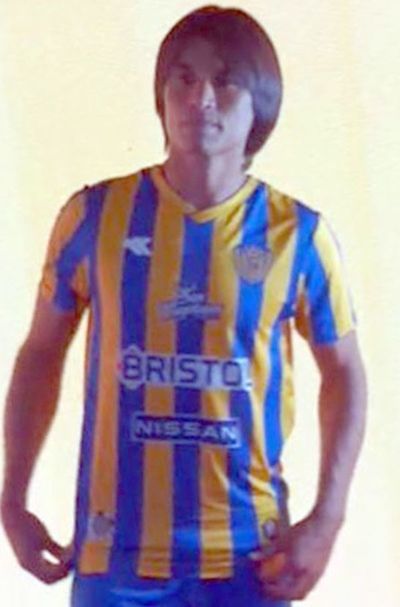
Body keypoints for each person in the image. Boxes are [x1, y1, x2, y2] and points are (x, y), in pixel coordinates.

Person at [1, 5, 367, 606]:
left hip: (251, 564)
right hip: (116, 559)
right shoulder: (94, 217)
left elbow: (346, 372)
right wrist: (12, 499)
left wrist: (327, 519)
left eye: (225, 80)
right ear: (161, 94)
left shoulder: (298, 236)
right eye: (184, 77)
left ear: (260, 104)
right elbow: (41, 352)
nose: (201, 98)